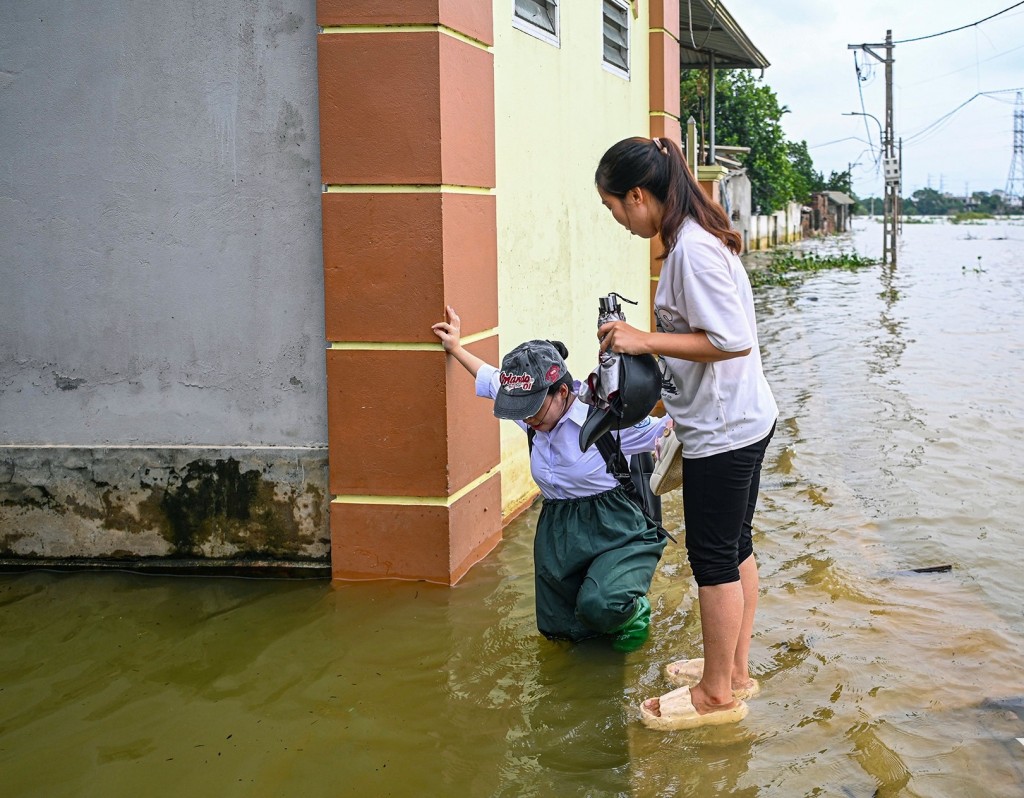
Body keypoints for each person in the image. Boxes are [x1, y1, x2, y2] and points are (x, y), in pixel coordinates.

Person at [594, 136, 778, 729]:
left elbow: (732, 340)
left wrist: (642, 339)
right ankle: (735, 669)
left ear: (640, 194)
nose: (618, 220)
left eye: (615, 207)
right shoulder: (689, 245)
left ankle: (717, 695)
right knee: (736, 546)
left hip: (725, 433)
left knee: (714, 561)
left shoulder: (693, 252)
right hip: (737, 420)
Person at [432, 306, 670, 652]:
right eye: (520, 411)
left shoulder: (606, 420)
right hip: (559, 526)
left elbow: (669, 432)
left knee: (600, 604)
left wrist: (676, 427)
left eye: (534, 410)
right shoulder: (528, 407)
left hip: (617, 526)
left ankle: (635, 614)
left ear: (561, 392)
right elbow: (489, 378)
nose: (527, 420)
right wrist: (456, 347)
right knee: (559, 627)